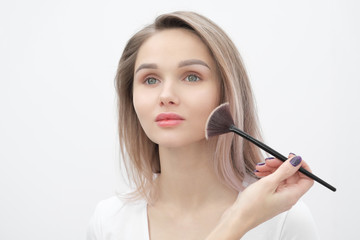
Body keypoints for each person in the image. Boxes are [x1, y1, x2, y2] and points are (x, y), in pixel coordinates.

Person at [87, 11, 318, 239]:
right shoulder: (108, 222)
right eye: (150, 79)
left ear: (227, 92)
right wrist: (236, 222)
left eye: (192, 77)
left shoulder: (284, 219)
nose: (166, 95)